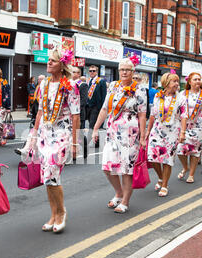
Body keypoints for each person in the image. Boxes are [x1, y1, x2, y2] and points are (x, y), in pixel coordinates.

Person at [30, 48, 80, 233]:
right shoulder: (43, 85)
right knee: (47, 178)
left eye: (53, 61)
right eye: (48, 60)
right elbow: (41, 112)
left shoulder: (70, 86)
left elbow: (76, 116)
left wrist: (75, 143)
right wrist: (33, 135)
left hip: (62, 134)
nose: (48, 63)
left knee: (52, 171)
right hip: (45, 133)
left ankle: (61, 212)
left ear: (62, 65)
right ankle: (53, 214)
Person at [92, 57, 147, 213]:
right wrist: (96, 128)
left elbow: (142, 115)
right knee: (107, 166)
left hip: (130, 134)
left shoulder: (139, 89)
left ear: (132, 71)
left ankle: (125, 201)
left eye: (127, 70)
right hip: (113, 132)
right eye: (122, 69)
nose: (124, 72)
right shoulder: (113, 87)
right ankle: (119, 191)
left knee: (126, 169)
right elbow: (104, 109)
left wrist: (142, 137)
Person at [145, 72, 187, 197]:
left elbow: (184, 116)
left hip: (172, 132)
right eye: (174, 81)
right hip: (157, 130)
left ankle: (164, 185)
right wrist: (148, 130)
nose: (176, 84)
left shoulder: (181, 98)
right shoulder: (158, 96)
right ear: (166, 83)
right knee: (152, 157)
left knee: (167, 159)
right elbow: (153, 114)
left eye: (177, 81)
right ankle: (161, 177)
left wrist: (183, 133)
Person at [176, 72, 202, 183]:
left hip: (198, 126)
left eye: (199, 79)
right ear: (189, 81)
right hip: (184, 125)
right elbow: (177, 110)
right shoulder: (182, 94)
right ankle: (185, 167)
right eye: (195, 79)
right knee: (180, 149)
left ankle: (191, 174)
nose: (198, 81)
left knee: (195, 151)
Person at [86, 65, 107, 130]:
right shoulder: (88, 81)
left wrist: (102, 108)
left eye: (93, 71)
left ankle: (91, 139)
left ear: (97, 72)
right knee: (90, 124)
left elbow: (104, 95)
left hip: (96, 107)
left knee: (92, 126)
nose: (92, 72)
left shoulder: (101, 81)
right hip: (88, 107)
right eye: (90, 71)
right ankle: (94, 138)